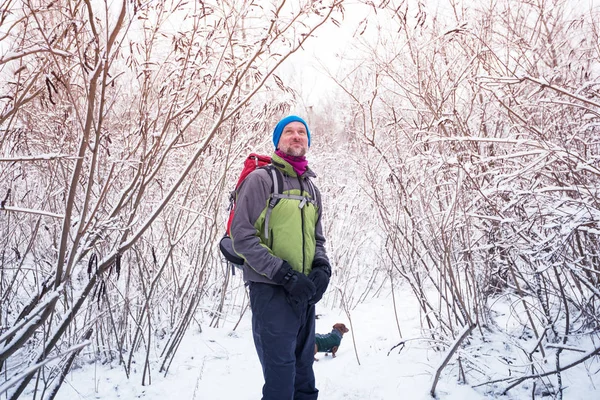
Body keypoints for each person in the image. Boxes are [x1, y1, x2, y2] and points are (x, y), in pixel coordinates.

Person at [230, 115, 331, 400]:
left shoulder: (312, 189)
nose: (296, 136)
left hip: (304, 292)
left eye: (302, 132)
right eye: (289, 131)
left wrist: (322, 267)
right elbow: (242, 236)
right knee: (280, 379)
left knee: (304, 373)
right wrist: (284, 274)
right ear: (278, 140)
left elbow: (318, 239)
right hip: (271, 290)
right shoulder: (261, 180)